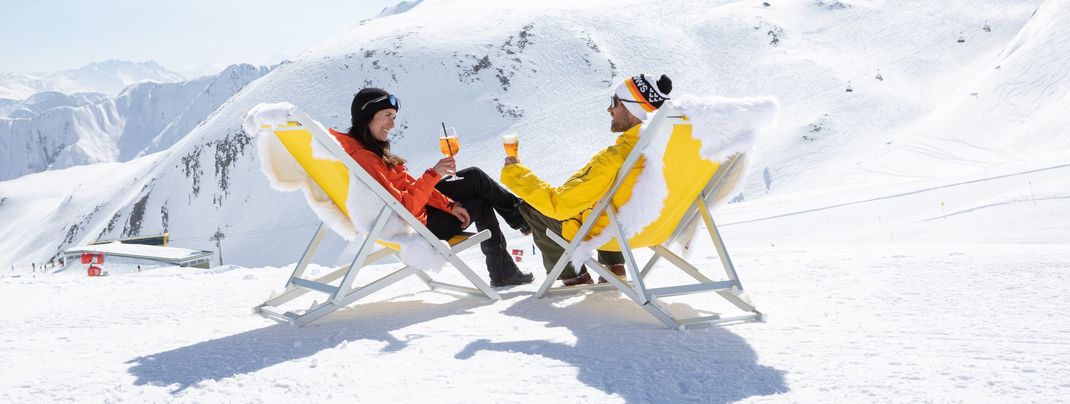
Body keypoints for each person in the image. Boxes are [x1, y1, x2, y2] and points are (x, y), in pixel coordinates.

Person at [330, 87, 534, 287]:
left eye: (394, 117)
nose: (392, 124)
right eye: (387, 115)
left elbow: (408, 187)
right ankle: (519, 228)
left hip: (413, 215)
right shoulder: (366, 159)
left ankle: (519, 225)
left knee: (474, 177)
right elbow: (405, 209)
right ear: (367, 116)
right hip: (415, 226)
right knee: (478, 197)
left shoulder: (365, 150)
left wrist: (450, 205)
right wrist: (434, 174)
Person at [501, 73, 674, 286]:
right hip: (660, 227)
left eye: (614, 102)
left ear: (631, 107)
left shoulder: (618, 156)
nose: (609, 109)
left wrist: (516, 172)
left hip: (615, 236)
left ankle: (574, 276)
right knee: (605, 201)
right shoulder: (670, 149)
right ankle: (614, 268)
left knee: (534, 208)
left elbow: (560, 204)